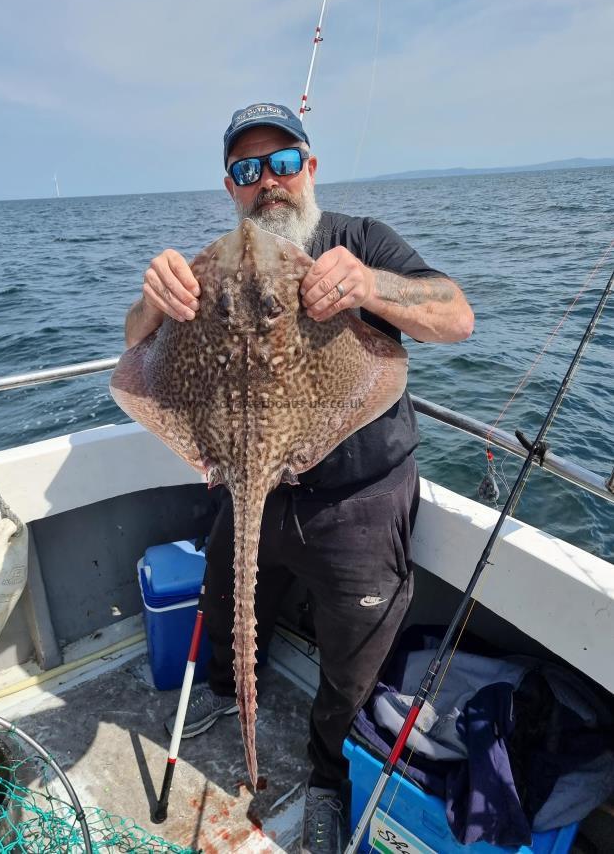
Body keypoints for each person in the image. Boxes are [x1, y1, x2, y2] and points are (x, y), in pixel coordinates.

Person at [124, 103, 474, 854]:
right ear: (231, 187)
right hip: (248, 481)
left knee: (351, 656)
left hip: (358, 504)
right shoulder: (204, 268)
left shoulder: (357, 242)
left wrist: (369, 290)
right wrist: (150, 302)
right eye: (249, 170)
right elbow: (136, 353)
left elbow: (455, 316)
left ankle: (325, 773)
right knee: (225, 599)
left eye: (284, 163)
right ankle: (227, 702)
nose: (269, 183)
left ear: (309, 169)